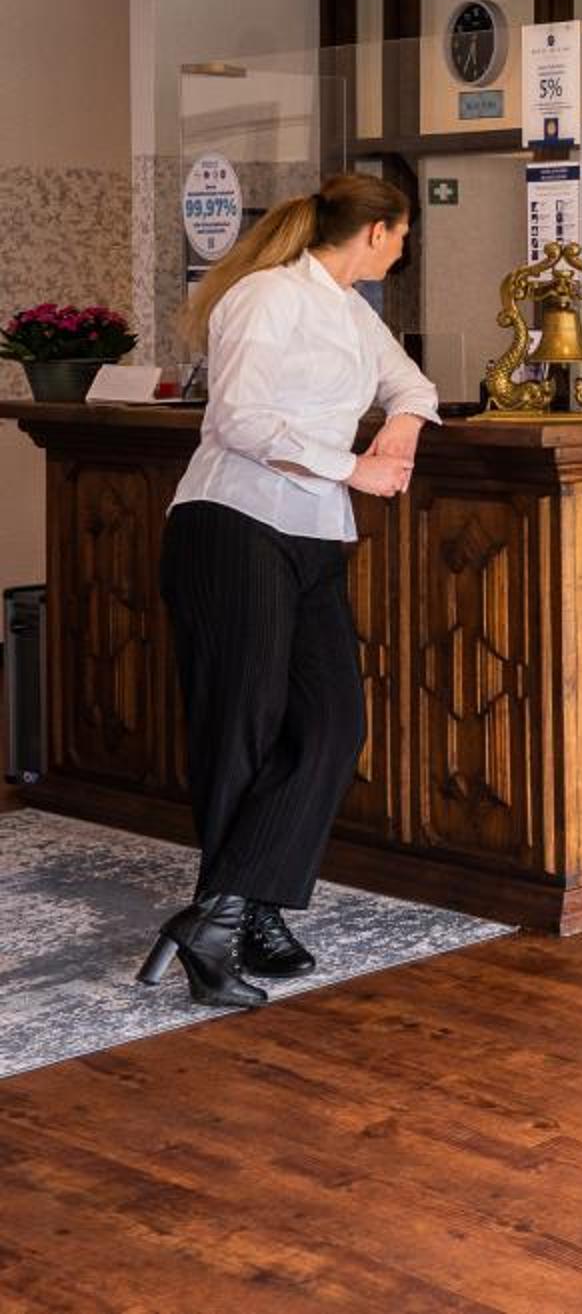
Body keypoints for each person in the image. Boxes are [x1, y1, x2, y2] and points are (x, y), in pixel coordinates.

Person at [140, 174, 433, 1008]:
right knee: (242, 728)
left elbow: (410, 385)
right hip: (233, 525)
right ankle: (245, 919)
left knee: (333, 725)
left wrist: (402, 426)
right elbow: (238, 420)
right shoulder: (265, 297)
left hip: (311, 535)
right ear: (375, 232)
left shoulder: (353, 311)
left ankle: (219, 915)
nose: (402, 249)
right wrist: (355, 468)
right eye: (402, 234)